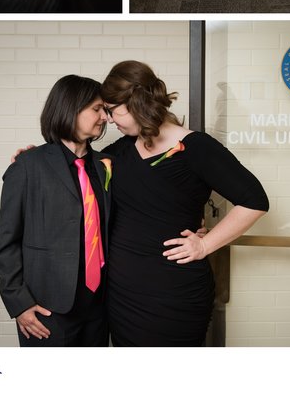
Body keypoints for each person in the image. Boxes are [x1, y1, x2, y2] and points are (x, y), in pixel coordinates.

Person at [100, 60, 268, 346]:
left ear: (136, 102)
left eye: (113, 110)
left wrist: (204, 244)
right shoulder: (119, 151)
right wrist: (32, 160)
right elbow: (74, 172)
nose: (109, 119)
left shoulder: (197, 148)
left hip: (174, 295)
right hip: (123, 296)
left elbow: (254, 201)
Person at [0, 75, 111, 346]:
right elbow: (6, 244)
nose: (105, 117)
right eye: (97, 109)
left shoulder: (106, 164)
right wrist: (19, 304)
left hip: (99, 307)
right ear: (71, 108)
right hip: (47, 310)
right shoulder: (27, 166)